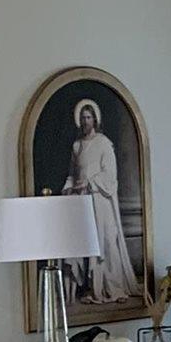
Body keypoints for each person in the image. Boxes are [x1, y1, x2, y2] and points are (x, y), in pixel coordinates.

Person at [65, 98, 141, 307]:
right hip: (83, 201)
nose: (85, 121)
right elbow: (72, 173)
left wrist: (89, 183)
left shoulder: (104, 143)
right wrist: (69, 187)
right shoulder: (77, 145)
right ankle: (91, 287)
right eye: (83, 118)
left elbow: (110, 174)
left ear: (95, 120)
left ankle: (112, 286)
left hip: (100, 200)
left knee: (106, 242)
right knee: (87, 243)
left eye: (88, 117)